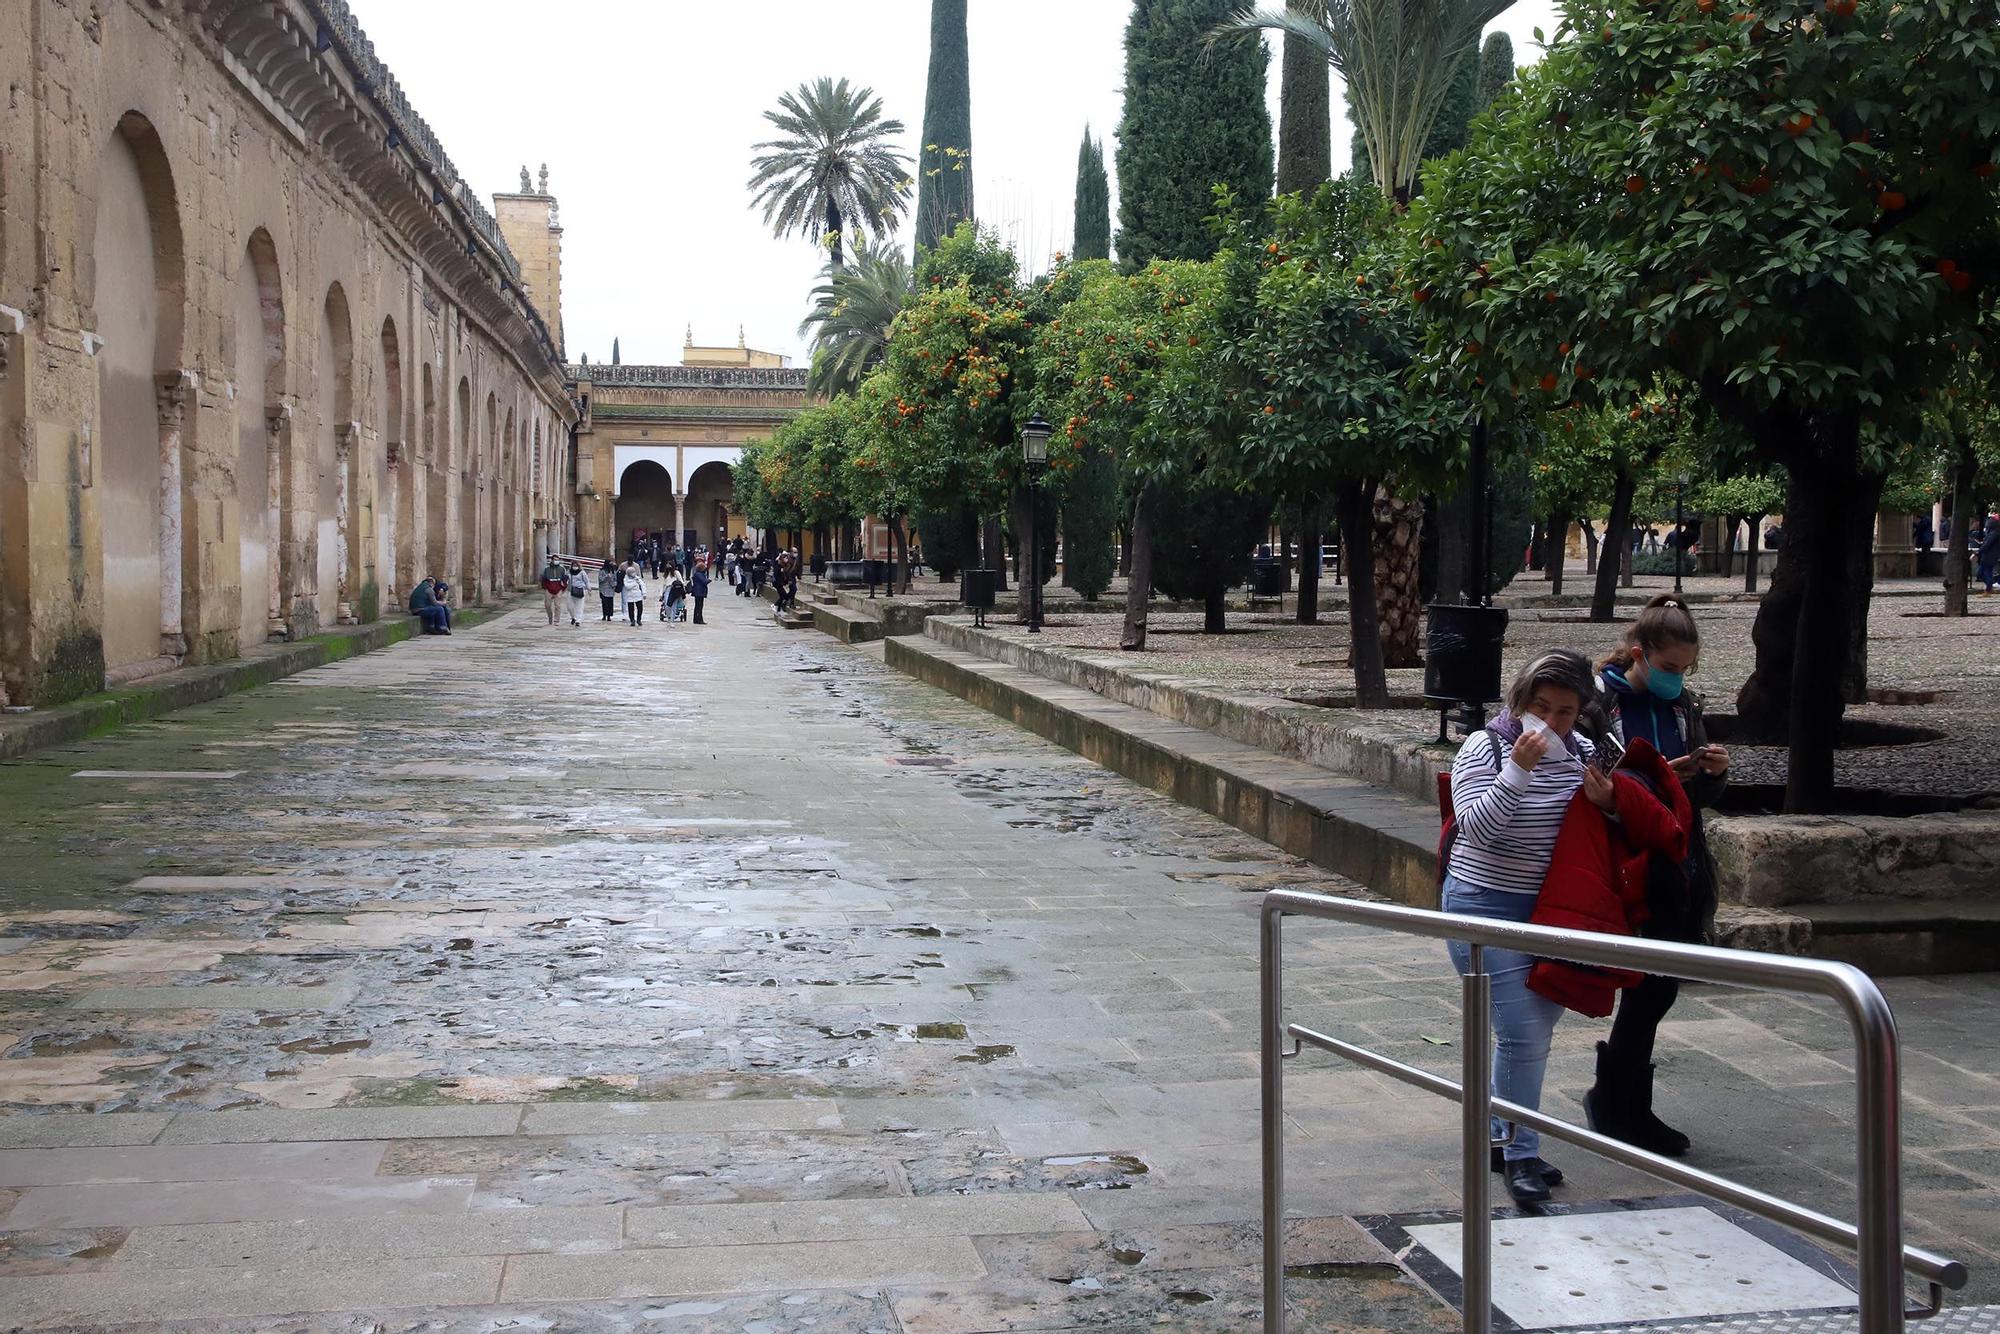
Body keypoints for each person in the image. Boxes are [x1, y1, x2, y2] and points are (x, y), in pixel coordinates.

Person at [1444, 650, 1614, 1206]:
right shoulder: (1485, 746)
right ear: (1519, 701)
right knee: (1524, 1033)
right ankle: (1521, 1155)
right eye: (1541, 706)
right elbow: (1477, 830)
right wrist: (1516, 769)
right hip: (1482, 905)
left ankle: (1501, 1132)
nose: (1552, 721)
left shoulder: (1582, 752)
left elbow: (1601, 826)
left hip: (1550, 910)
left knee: (1523, 1032)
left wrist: (1609, 803)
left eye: (1565, 711)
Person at [1588, 594, 1730, 1157]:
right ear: (1638, 652)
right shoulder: (1599, 705)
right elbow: (1590, 782)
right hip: (1624, 860)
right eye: (1668, 668)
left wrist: (1709, 772)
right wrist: (1643, 783)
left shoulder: (1682, 708)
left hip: (1676, 860)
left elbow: (1697, 797)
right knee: (1645, 983)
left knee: (1660, 985)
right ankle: (1619, 1103)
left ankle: (1620, 1100)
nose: (1677, 679)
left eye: (1684, 670)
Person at [539, 558, 568, 626]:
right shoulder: (547, 569)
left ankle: (556, 620)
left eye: (557, 559)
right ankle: (550, 617)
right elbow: (543, 578)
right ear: (552, 560)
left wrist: (563, 587)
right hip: (549, 588)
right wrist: (545, 587)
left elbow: (565, 579)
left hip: (558, 588)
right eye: (555, 559)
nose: (556, 561)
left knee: (557, 605)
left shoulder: (562, 569)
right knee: (547, 605)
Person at [620, 560, 647, 626]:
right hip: (630, 596)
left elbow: (642, 585)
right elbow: (627, 586)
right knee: (631, 609)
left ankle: (639, 619)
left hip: (638, 595)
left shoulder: (637, 578)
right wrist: (635, 583)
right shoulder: (626, 579)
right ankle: (632, 620)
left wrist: (644, 593)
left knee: (640, 608)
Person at [1980, 517, 2000, 593]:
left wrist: (1980, 550)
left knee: (1985, 572)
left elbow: (1987, 544)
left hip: (1989, 556)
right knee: (1983, 572)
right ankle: (1989, 587)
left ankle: (1989, 588)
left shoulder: (1994, 533)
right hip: (1989, 555)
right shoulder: (1994, 533)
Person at [690, 559, 710, 624]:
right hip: (699, 592)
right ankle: (699, 619)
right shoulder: (699, 574)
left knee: (698, 606)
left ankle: (696, 619)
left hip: (698, 592)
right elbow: (704, 582)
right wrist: (708, 580)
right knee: (699, 606)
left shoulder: (697, 574)